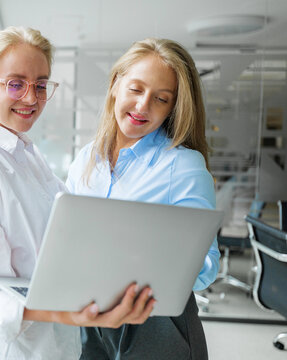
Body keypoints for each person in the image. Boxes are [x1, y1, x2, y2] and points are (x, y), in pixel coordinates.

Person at [0, 26, 154, 360]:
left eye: (40, 85)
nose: (31, 98)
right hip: (3, 351)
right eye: (16, 84)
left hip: (49, 346)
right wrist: (72, 313)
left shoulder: (27, 158)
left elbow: (62, 243)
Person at [65, 38, 220, 359]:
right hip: (90, 319)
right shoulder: (86, 158)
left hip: (157, 323)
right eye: (136, 89)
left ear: (172, 108)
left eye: (161, 99)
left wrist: (138, 254)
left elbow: (206, 268)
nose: (142, 106)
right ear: (115, 85)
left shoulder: (182, 166)